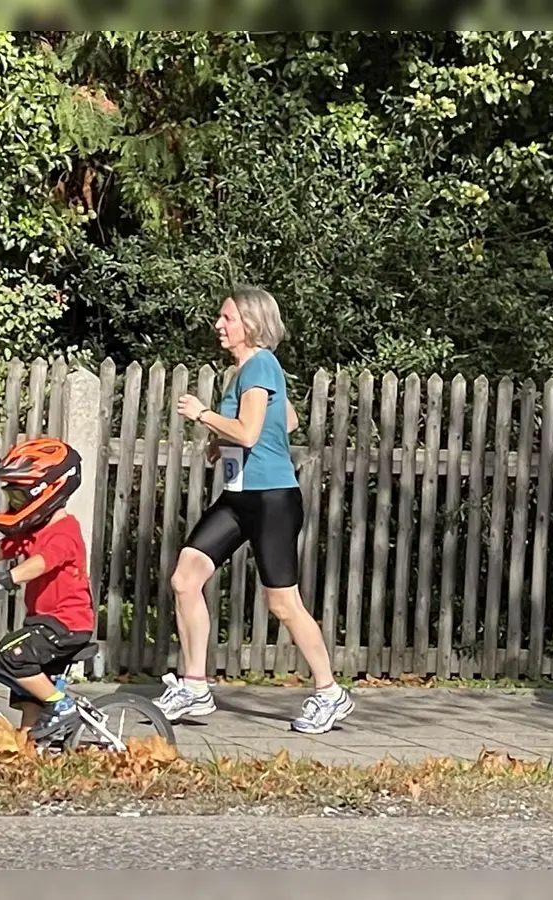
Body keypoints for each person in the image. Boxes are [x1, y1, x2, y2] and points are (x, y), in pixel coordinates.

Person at [154, 285, 354, 735]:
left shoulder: (261, 362)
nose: (218, 325)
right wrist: (217, 442)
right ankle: (194, 685)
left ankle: (329, 692)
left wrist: (205, 416)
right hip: (240, 496)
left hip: (271, 499)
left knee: (283, 604)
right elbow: (287, 421)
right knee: (186, 578)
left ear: (251, 322)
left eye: (227, 318)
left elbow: (247, 432)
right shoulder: (244, 371)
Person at [0, 437, 97, 742]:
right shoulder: (32, 530)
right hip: (42, 621)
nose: (13, 503)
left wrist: (8, 578)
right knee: (26, 693)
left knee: (10, 656)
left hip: (67, 624)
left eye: (17, 495)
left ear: (44, 491)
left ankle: (62, 706)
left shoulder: (65, 531)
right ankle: (27, 748)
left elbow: (42, 562)